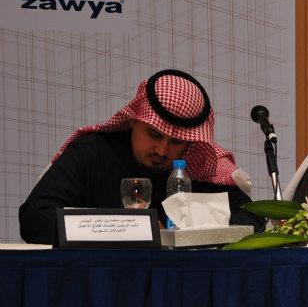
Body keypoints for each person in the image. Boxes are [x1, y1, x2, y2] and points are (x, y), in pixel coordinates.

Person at [19, 69, 264, 244]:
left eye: (176, 141)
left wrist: (193, 231)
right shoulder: (91, 152)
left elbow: (250, 218)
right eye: (154, 134)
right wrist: (128, 229)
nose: (162, 150)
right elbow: (35, 219)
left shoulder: (197, 164)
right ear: (134, 120)